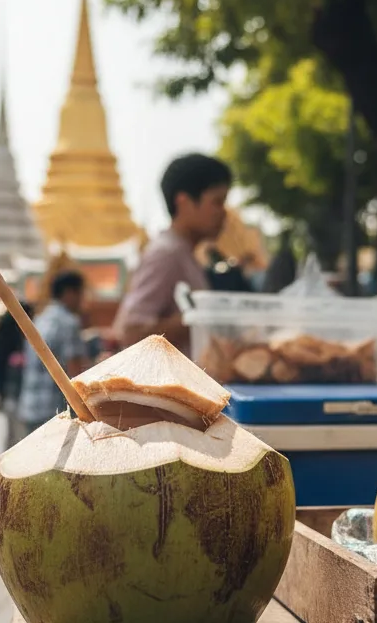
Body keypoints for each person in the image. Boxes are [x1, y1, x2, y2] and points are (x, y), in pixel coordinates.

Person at [115, 154, 230, 355]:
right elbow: (131, 332)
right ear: (184, 202)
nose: (224, 212)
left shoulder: (185, 254)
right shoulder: (166, 254)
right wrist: (197, 318)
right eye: (217, 202)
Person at [17, 270, 89, 436]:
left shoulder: (40, 318)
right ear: (70, 293)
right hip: (55, 411)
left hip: (30, 405)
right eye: (80, 293)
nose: (82, 300)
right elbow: (75, 372)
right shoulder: (69, 322)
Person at [0, 303, 34, 451]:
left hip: (9, 395)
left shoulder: (0, 343)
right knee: (19, 438)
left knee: (13, 436)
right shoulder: (18, 344)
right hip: (16, 396)